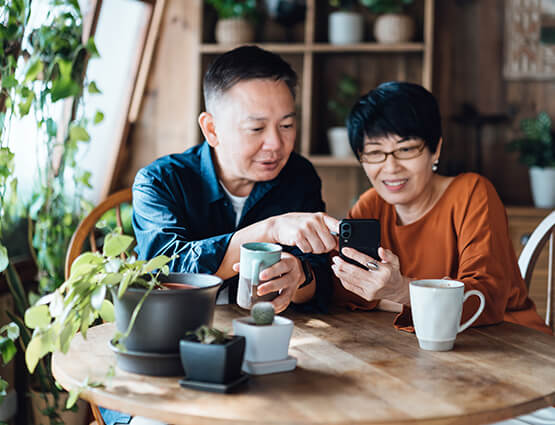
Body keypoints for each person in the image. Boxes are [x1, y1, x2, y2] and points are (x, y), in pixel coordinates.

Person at [102, 46, 338, 425]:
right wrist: (269, 229)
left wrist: (300, 277)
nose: (276, 144)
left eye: (287, 125)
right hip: (169, 358)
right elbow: (167, 270)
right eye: (256, 128)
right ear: (211, 128)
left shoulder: (298, 177)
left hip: (267, 356)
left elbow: (322, 276)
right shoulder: (159, 182)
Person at [330, 81, 553, 425]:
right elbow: (347, 294)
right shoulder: (370, 206)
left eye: (406, 150)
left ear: (435, 150)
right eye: (374, 152)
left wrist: (400, 292)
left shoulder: (472, 193)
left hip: (515, 359)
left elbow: (485, 297)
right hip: (430, 368)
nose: (390, 168)